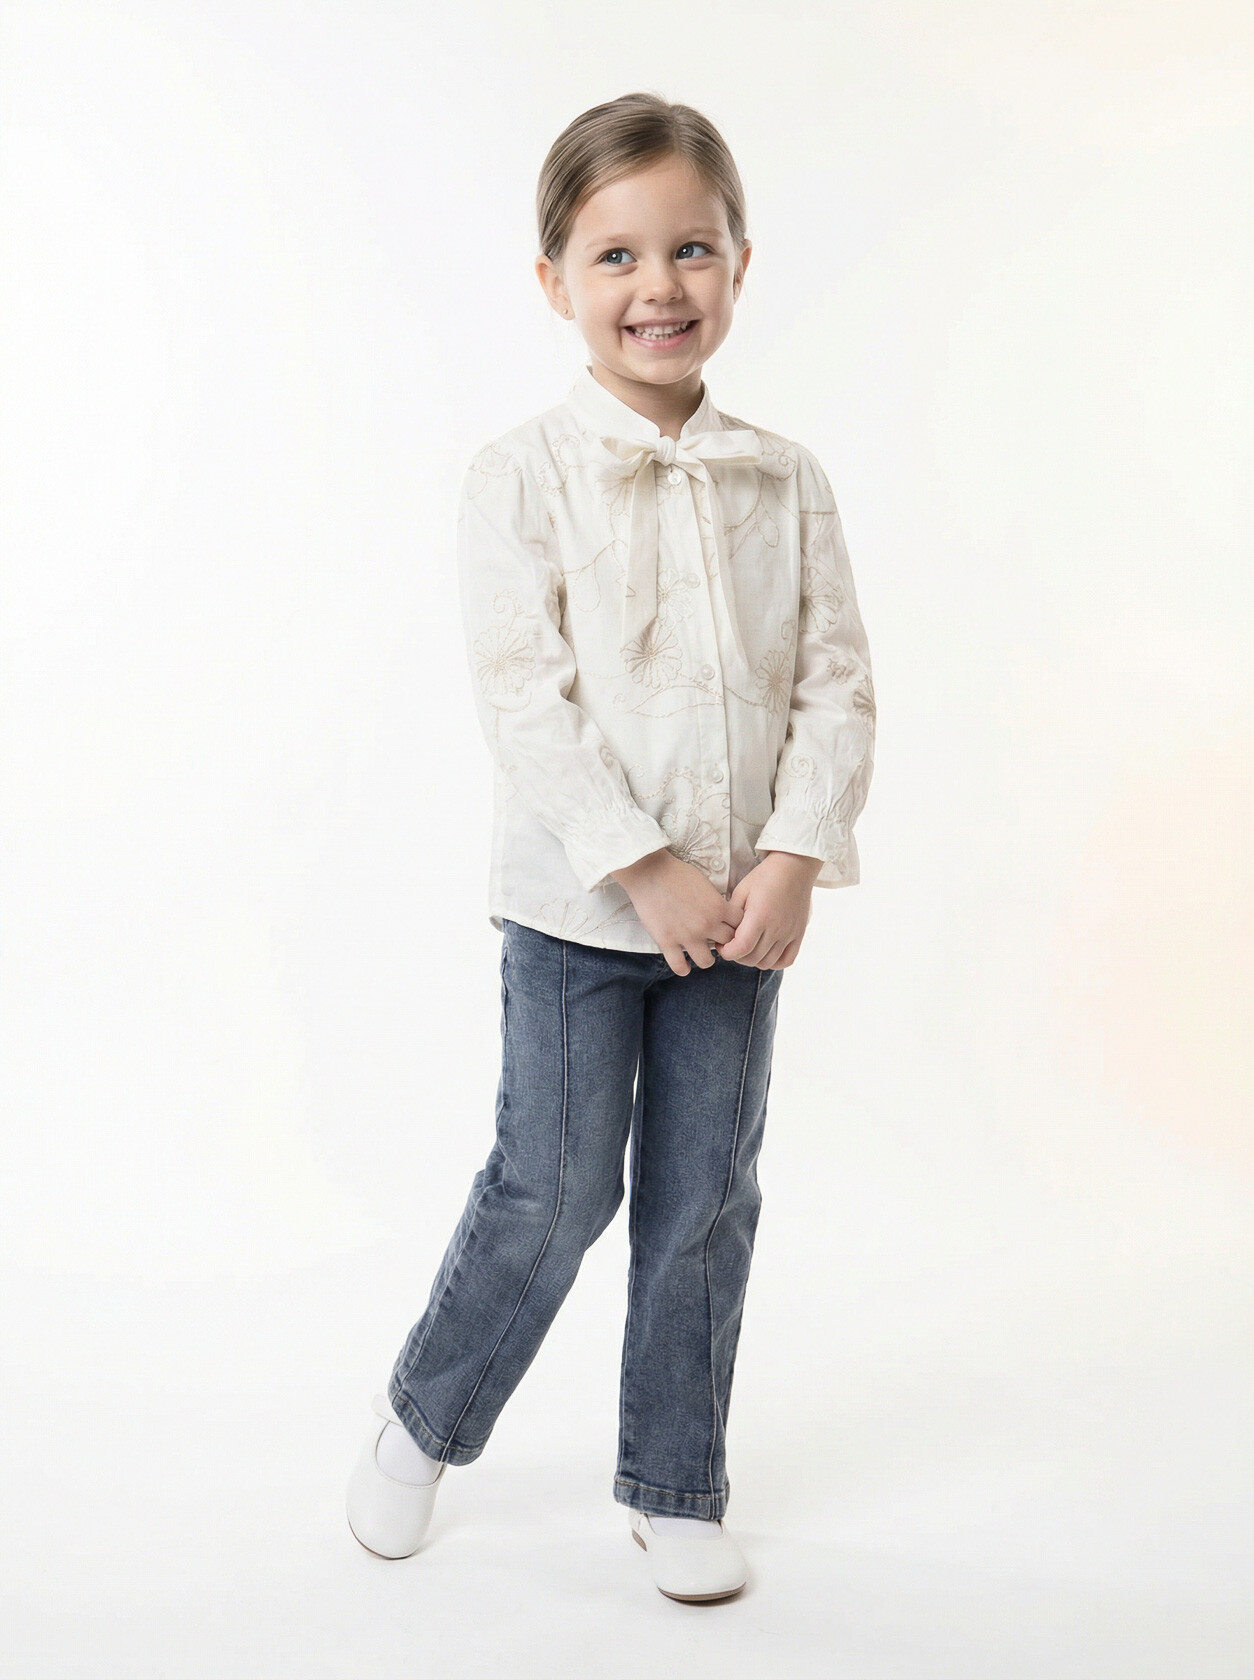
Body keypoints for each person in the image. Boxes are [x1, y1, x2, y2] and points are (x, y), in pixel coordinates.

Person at [345, 90, 876, 1604]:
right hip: (582, 915)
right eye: (616, 255)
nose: (658, 286)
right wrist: (644, 865)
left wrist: (792, 855)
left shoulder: (786, 480)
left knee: (704, 1196)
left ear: (739, 263)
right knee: (556, 1187)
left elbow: (835, 679)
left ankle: (674, 1481)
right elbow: (524, 698)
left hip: (740, 918)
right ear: (555, 281)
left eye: (691, 249)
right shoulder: (517, 477)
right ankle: (423, 1419)